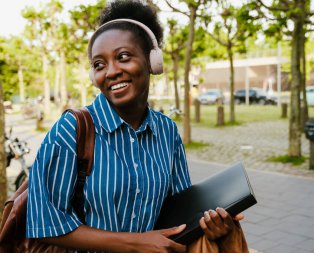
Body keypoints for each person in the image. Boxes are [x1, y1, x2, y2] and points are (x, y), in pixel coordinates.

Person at [26, 1, 242, 252]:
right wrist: (135, 244)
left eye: (123, 57)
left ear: (153, 60)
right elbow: (45, 224)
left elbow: (180, 211)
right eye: (99, 64)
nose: (111, 71)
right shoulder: (72, 128)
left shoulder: (167, 131)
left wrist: (210, 224)